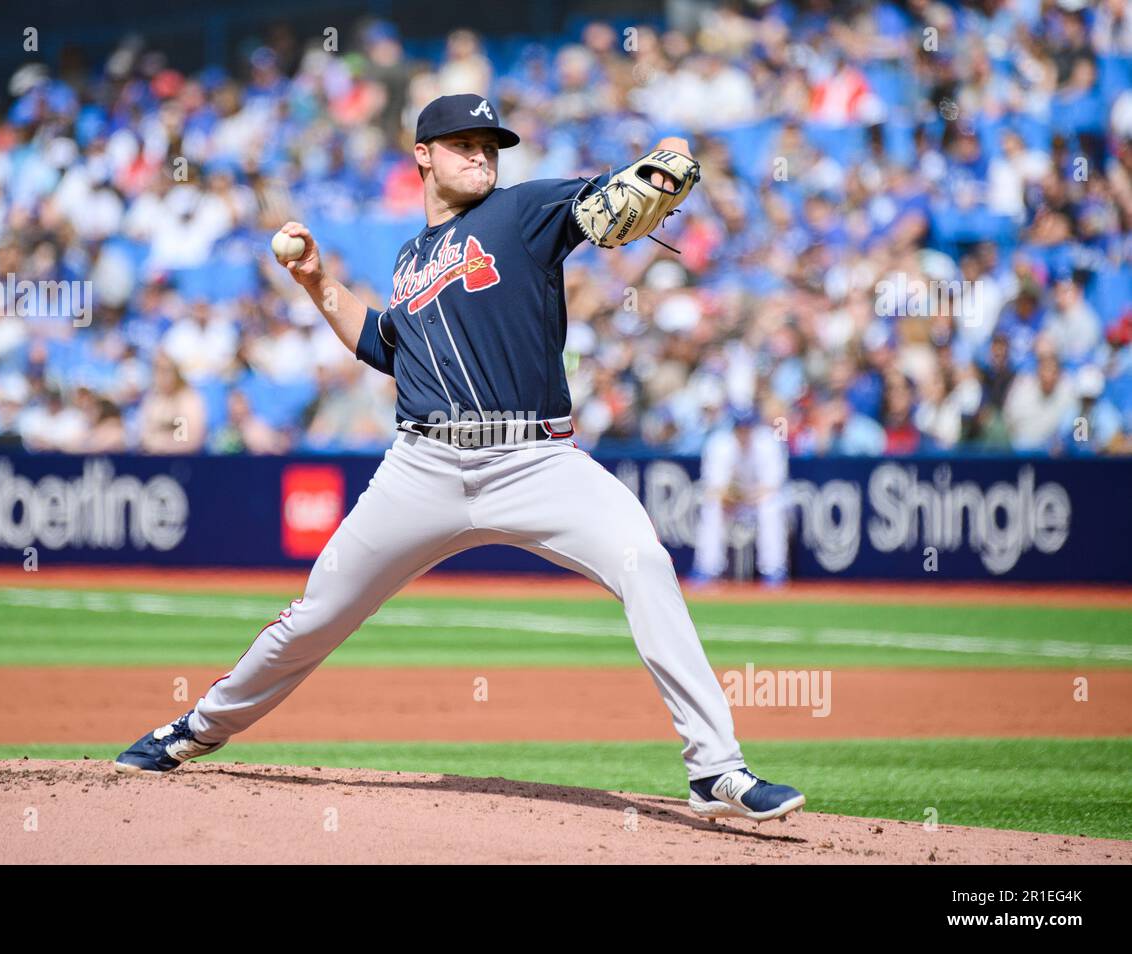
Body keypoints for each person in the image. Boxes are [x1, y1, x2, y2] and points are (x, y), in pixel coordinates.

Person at [115, 94, 805, 823]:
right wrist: (317, 283)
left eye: (490, 144)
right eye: (463, 143)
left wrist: (665, 159)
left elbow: (608, 202)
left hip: (537, 460)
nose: (481, 155)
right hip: (423, 468)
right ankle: (195, 730)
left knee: (646, 563)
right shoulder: (411, 259)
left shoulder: (524, 212)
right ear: (422, 154)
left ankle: (715, 769)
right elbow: (386, 346)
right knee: (315, 616)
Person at [688, 406, 789, 587]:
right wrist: (731, 497)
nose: (744, 431)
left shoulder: (768, 442)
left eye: (747, 427)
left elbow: (772, 487)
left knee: (772, 505)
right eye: (739, 427)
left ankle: (774, 569)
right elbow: (714, 489)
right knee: (711, 505)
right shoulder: (719, 444)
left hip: (758, 500)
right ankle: (708, 568)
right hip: (733, 503)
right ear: (733, 427)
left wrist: (747, 496)